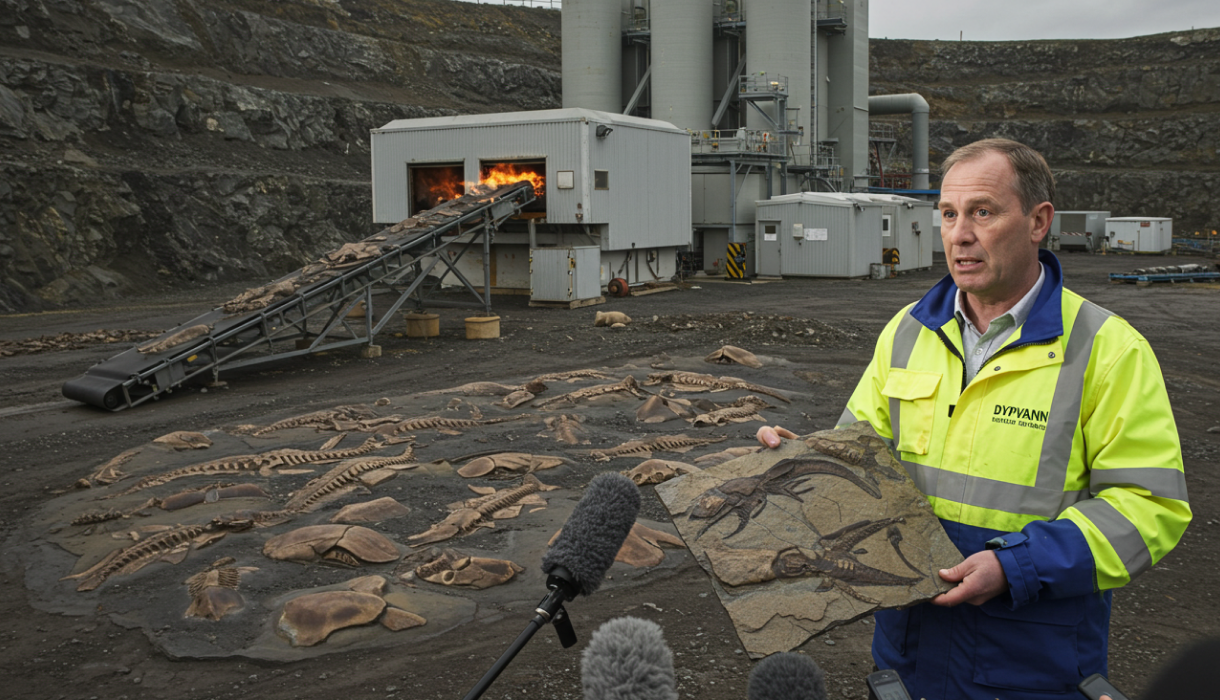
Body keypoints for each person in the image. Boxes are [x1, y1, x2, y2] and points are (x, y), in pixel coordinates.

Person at [757, 138, 1191, 700]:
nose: (959, 234)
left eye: (982, 212)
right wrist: (800, 461)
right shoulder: (908, 333)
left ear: (1038, 222)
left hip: (1032, 664)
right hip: (907, 653)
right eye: (948, 214)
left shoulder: (1107, 350)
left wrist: (1018, 566)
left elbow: (1150, 506)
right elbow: (858, 457)